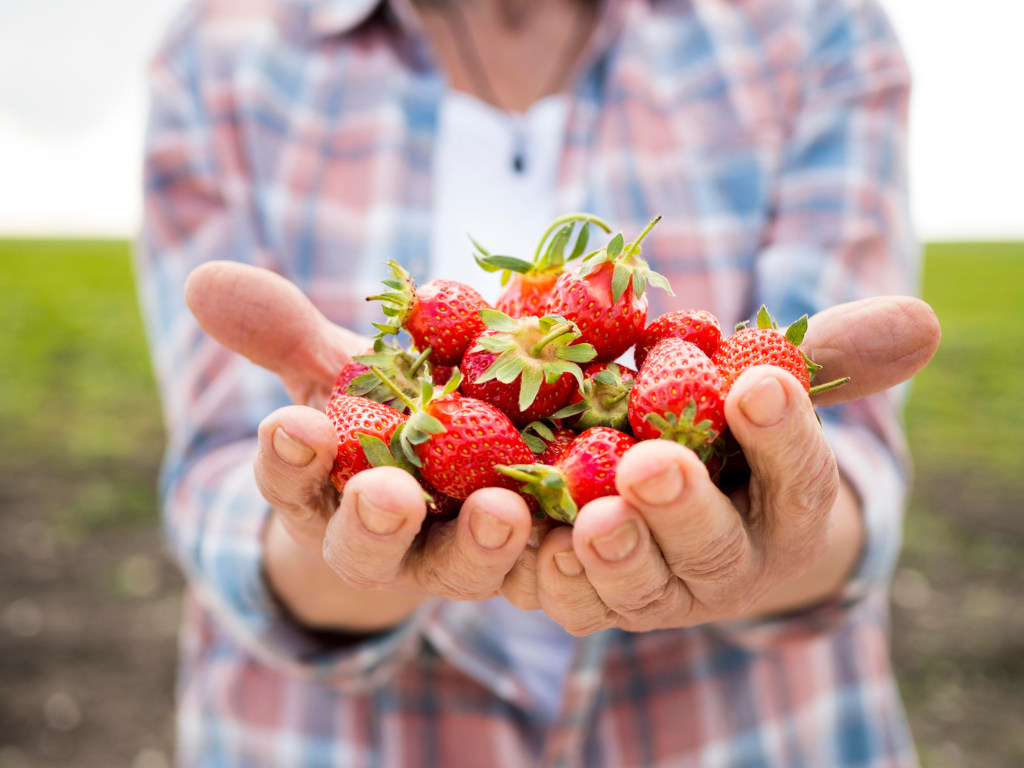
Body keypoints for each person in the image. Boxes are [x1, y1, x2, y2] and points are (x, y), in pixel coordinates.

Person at [136, 0, 941, 765]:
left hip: (755, 734)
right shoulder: (223, 50)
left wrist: (781, 516)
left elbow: (845, 454)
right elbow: (221, 487)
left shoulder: (803, 25)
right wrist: (339, 536)